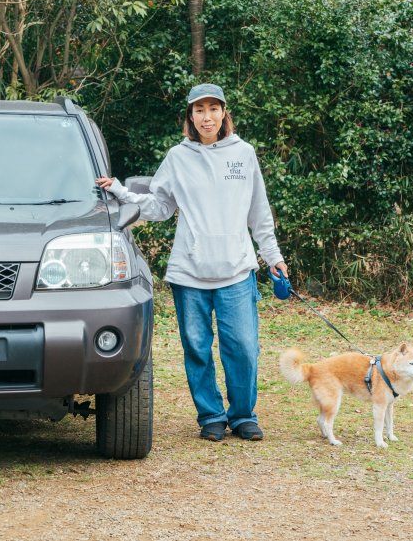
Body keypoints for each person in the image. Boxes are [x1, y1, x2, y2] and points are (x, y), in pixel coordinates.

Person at [96, 83, 288, 442]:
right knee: (197, 348)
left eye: (213, 109)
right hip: (190, 272)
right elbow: (159, 207)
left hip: (236, 270)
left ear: (224, 113)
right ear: (190, 116)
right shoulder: (177, 157)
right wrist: (121, 191)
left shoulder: (243, 154)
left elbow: (258, 212)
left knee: (244, 348)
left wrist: (273, 256)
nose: (207, 117)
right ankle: (211, 416)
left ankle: (244, 415)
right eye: (199, 110)